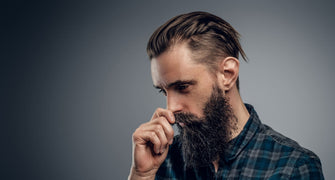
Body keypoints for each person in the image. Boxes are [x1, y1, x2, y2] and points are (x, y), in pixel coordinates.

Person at [128, 11, 324, 179]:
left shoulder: (292, 167)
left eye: (183, 87)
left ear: (227, 75)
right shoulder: (162, 160)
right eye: (164, 91)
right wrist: (141, 175)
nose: (170, 108)